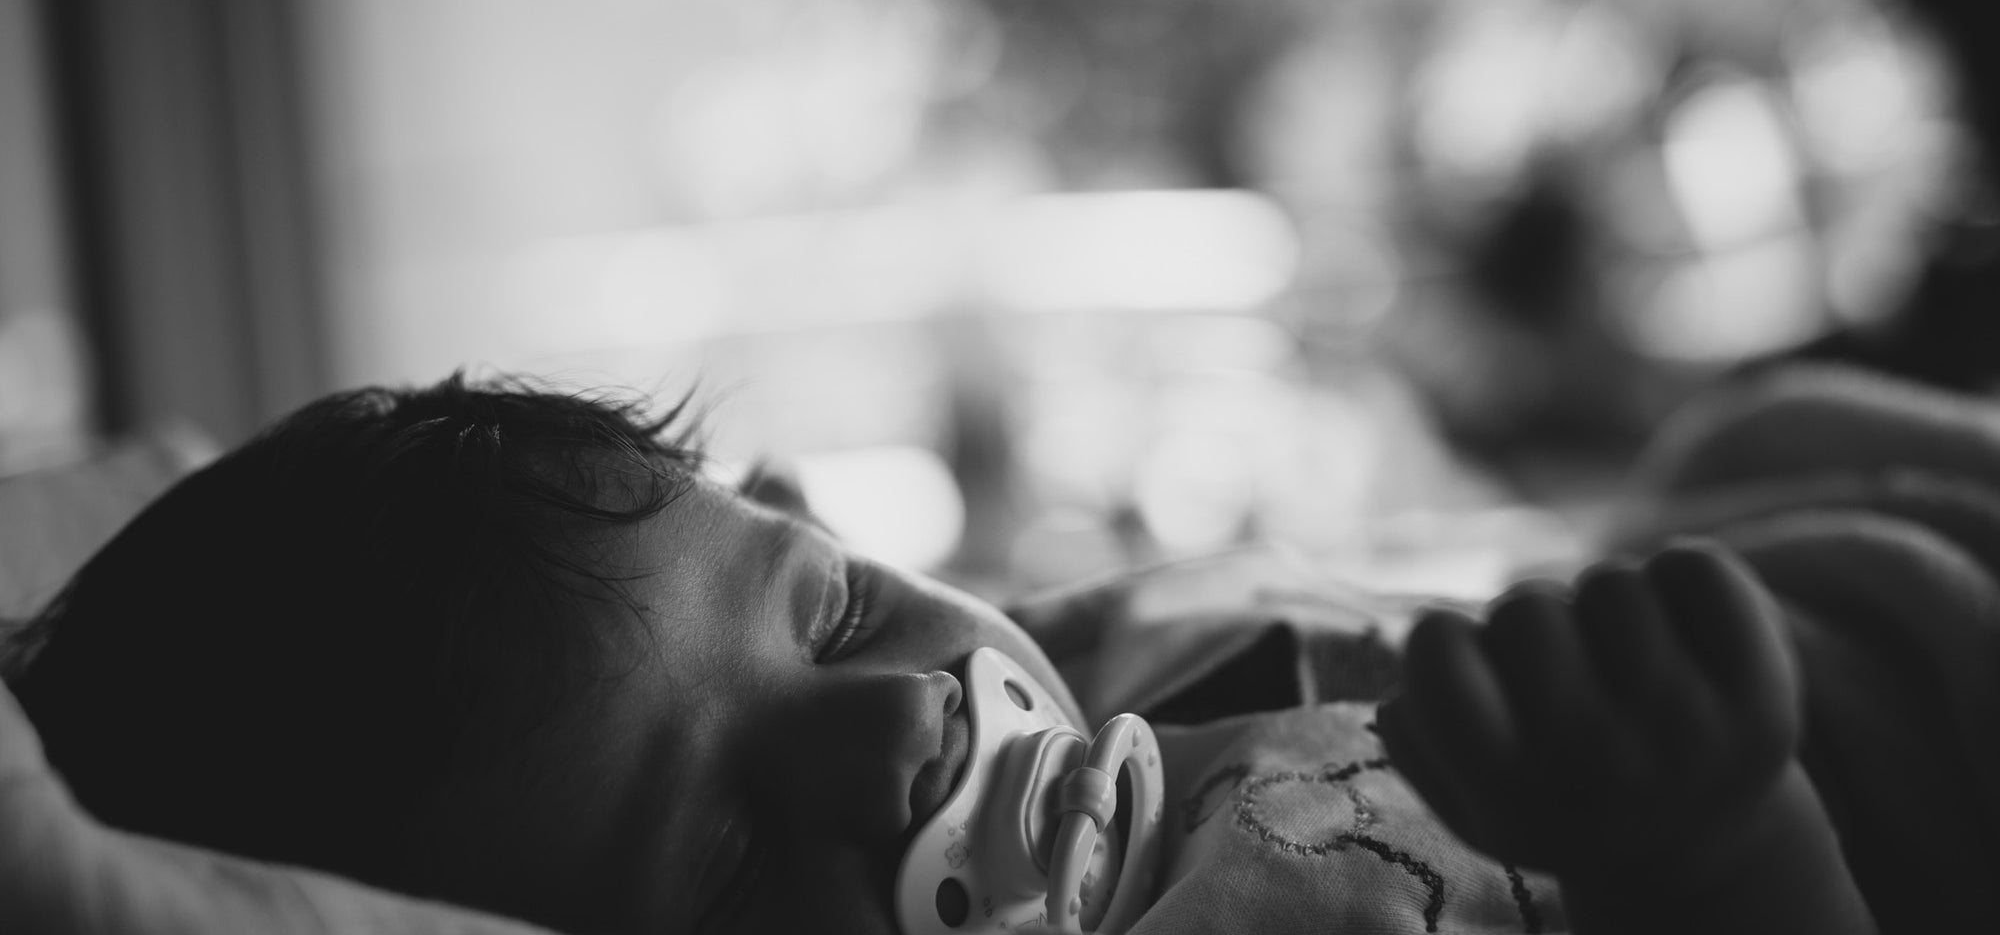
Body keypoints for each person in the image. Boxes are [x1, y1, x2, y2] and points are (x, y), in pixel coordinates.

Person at [6, 368, 1998, 932]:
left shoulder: (1112, 738)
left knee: (1772, 450)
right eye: (714, 859)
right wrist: (1712, 840)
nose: (888, 724)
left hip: (1866, 611)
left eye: (841, 609)